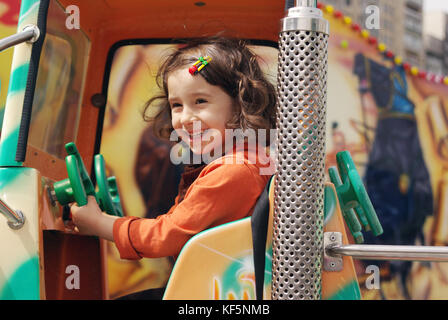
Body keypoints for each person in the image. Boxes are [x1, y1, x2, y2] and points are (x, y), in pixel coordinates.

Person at [69, 36, 277, 281]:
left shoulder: (234, 171)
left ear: (240, 104)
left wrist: (99, 224)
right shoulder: (239, 161)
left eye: (200, 101)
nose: (185, 118)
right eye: (177, 105)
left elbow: (166, 235)